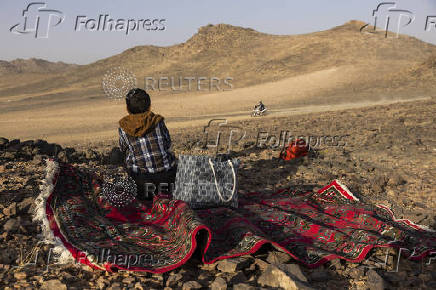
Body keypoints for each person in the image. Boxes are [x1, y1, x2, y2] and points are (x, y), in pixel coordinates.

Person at [118, 88, 176, 200]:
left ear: (127, 108)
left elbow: (123, 148)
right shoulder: (158, 122)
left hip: (141, 184)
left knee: (116, 154)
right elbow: (167, 143)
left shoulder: (123, 127)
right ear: (149, 105)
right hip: (167, 180)